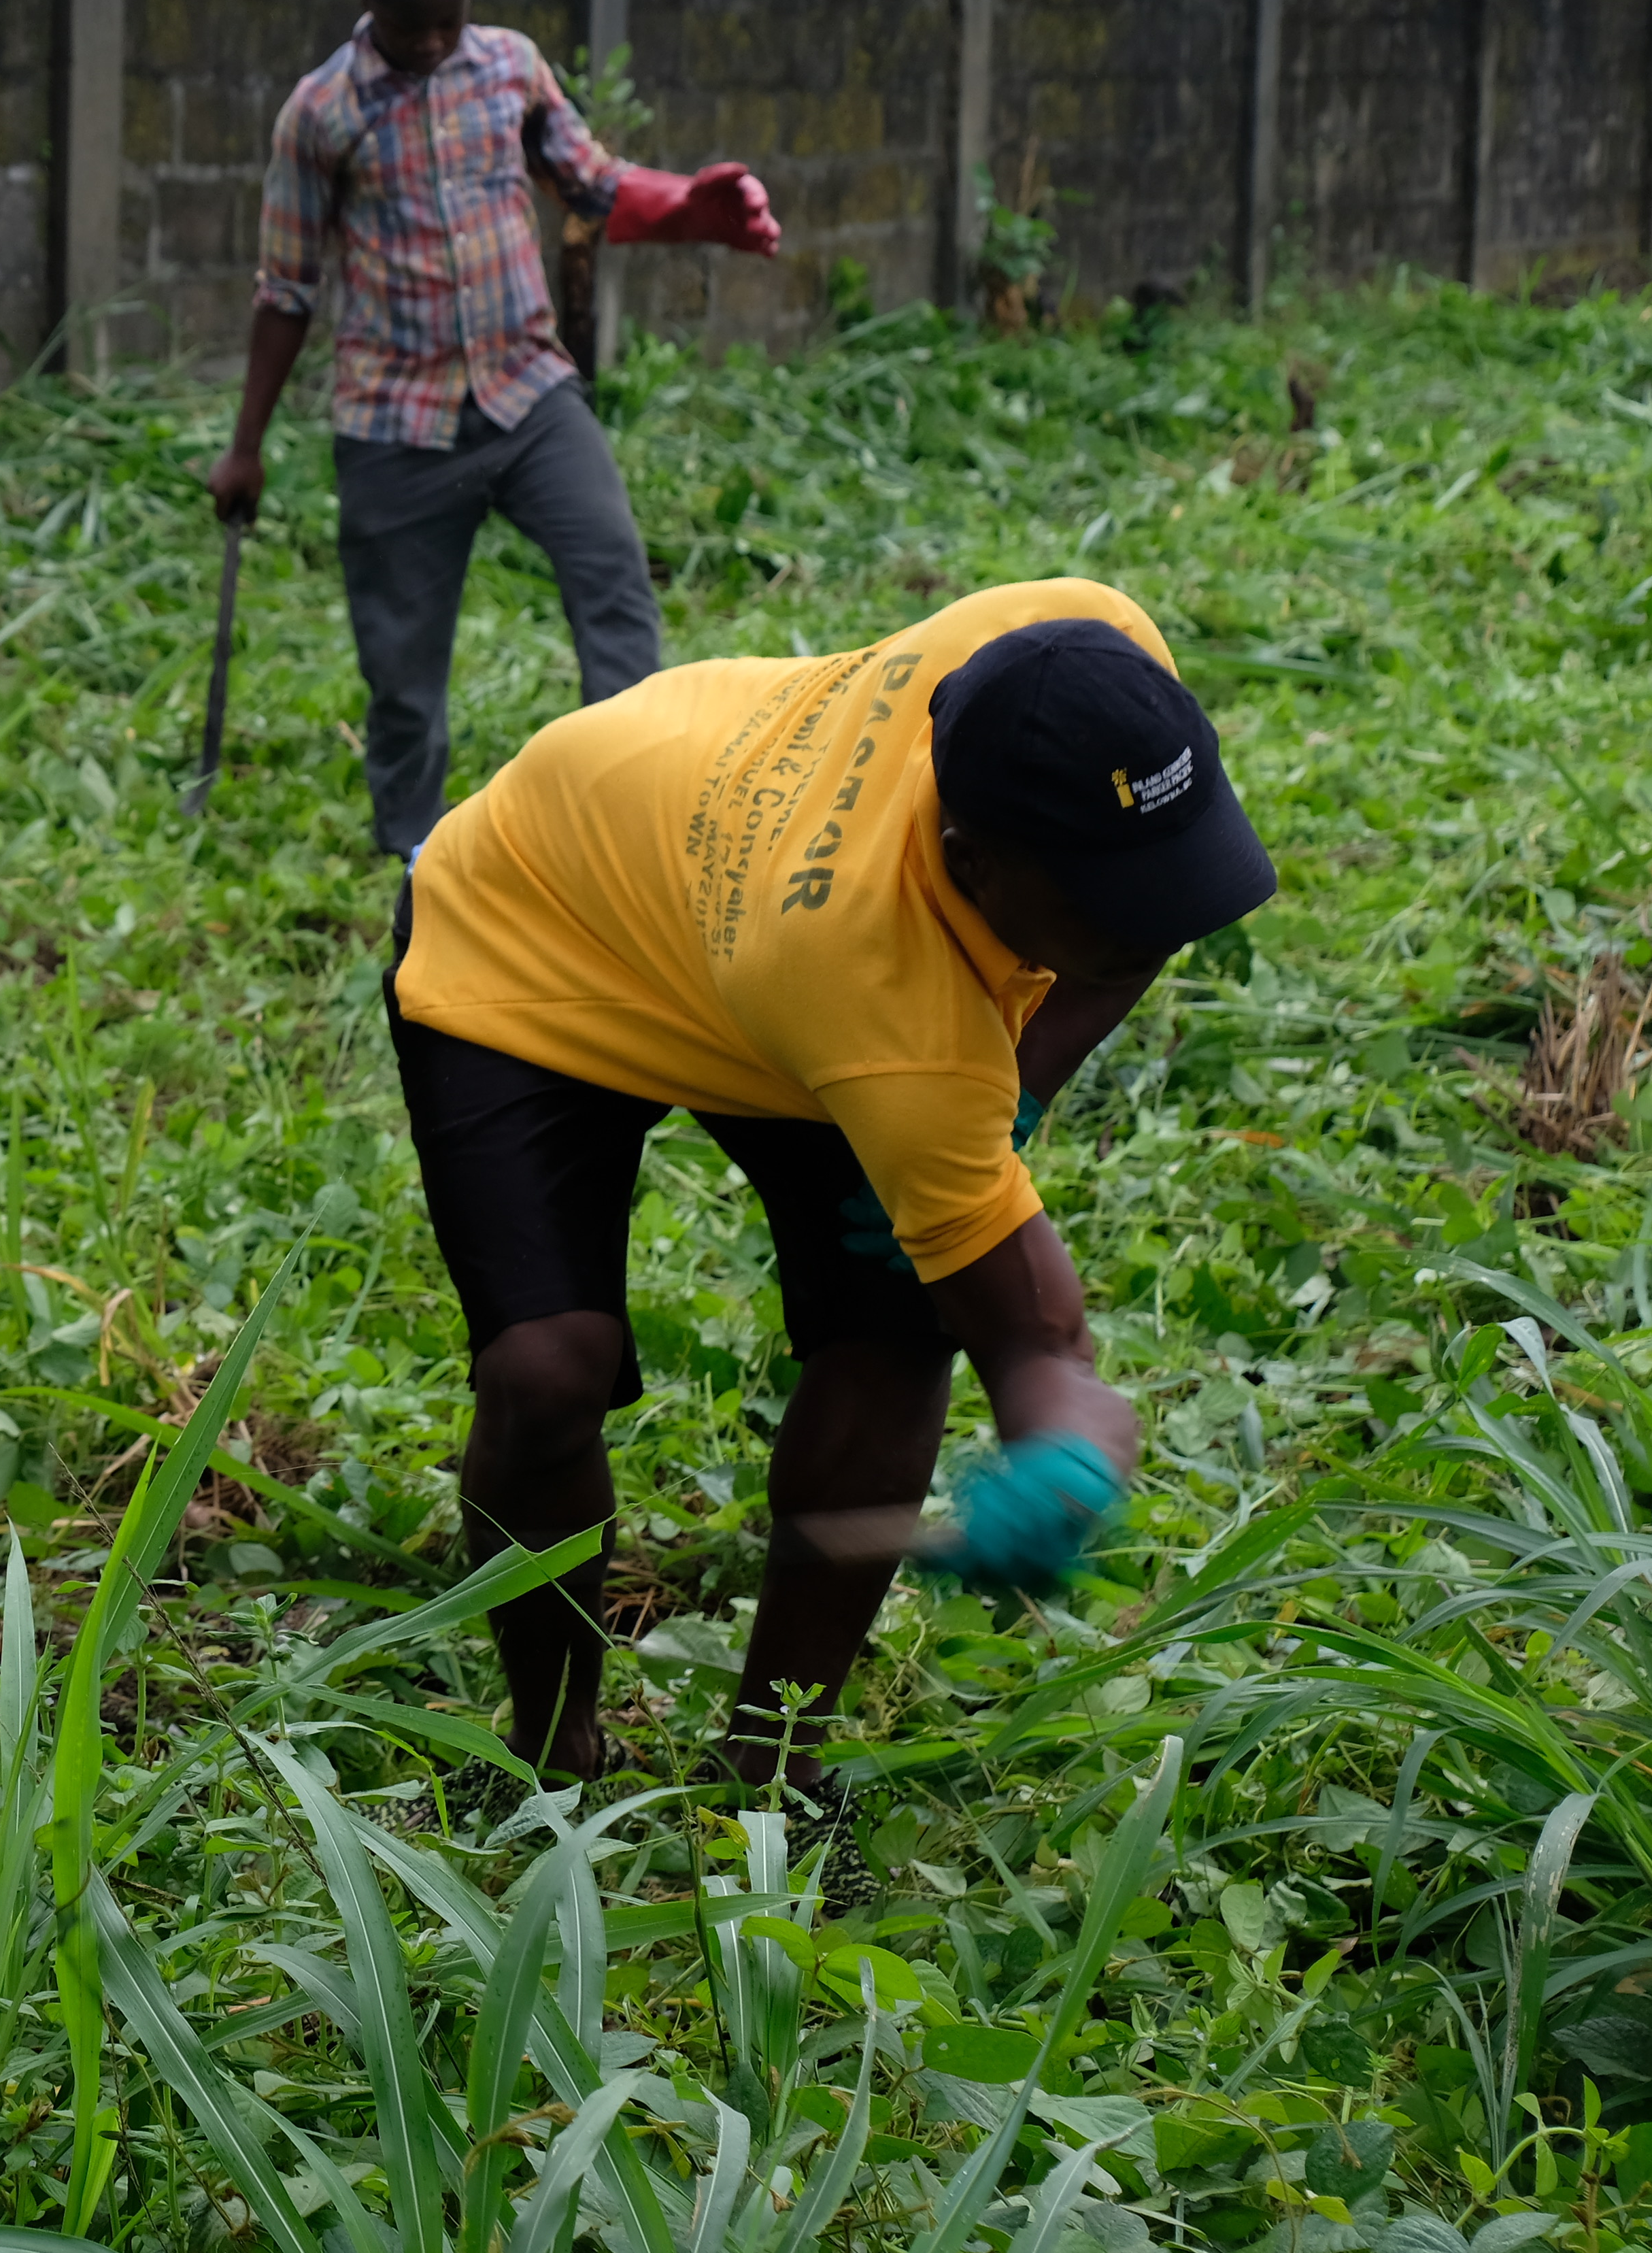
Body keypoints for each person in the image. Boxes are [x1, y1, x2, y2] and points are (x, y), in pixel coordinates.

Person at [384, 578, 1276, 1818]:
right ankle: (553, 1752)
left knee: (893, 1339)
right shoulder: (882, 1006)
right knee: (547, 1373)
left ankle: (773, 1765)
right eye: (1117, 912)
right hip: (534, 924)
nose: (1163, 922)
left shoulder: (1086, 656)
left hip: (720, 872)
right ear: (970, 864)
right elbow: (1036, 1338)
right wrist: (1071, 1433)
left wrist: (1017, 1087)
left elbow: (1139, 908)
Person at [198, 0, 787, 859]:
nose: (432, 43)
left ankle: (633, 813)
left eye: (448, 20)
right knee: (402, 668)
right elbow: (287, 288)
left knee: (614, 587)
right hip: (395, 426)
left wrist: (695, 208)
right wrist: (244, 448)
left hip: (528, 395)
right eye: (409, 24)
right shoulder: (319, 114)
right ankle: (414, 852)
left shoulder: (510, 67)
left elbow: (596, 184)